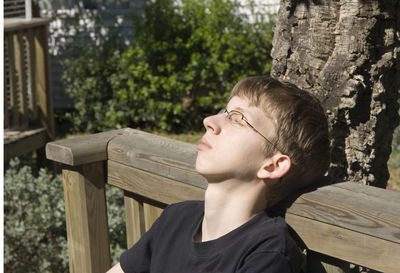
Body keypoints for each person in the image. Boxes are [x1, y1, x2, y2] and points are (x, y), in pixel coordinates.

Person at [107, 75, 331, 273]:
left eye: (236, 119)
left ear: (272, 166)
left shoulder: (266, 253)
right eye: (223, 112)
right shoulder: (176, 219)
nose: (209, 121)